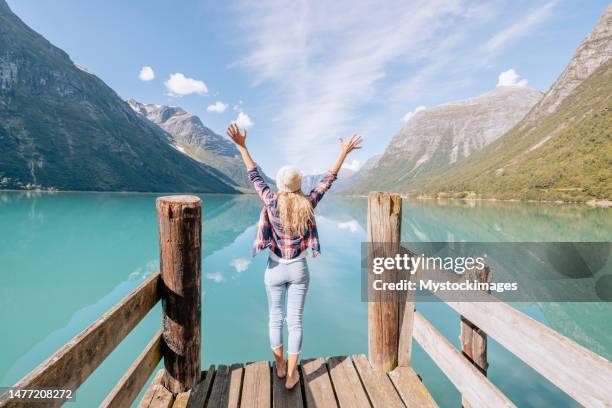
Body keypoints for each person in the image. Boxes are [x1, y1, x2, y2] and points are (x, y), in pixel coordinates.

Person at [226, 123, 363, 390]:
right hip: (298, 268)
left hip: (274, 268)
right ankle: (291, 374)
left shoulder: (271, 201)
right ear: (300, 185)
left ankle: (278, 365)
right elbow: (327, 181)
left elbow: (254, 175)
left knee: (274, 318)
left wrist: (242, 146)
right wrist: (344, 153)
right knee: (295, 322)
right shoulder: (308, 204)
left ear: (279, 184)